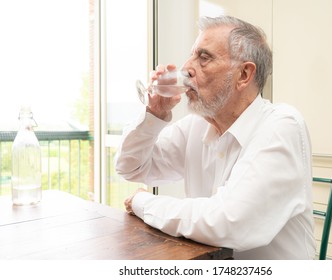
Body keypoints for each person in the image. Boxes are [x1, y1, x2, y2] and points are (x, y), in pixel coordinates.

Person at [114, 15, 315, 259]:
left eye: (204, 57)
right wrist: (155, 113)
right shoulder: (196, 127)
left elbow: (229, 223)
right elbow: (130, 167)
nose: (186, 67)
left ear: (244, 75)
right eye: (191, 54)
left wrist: (142, 201)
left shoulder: (282, 125)